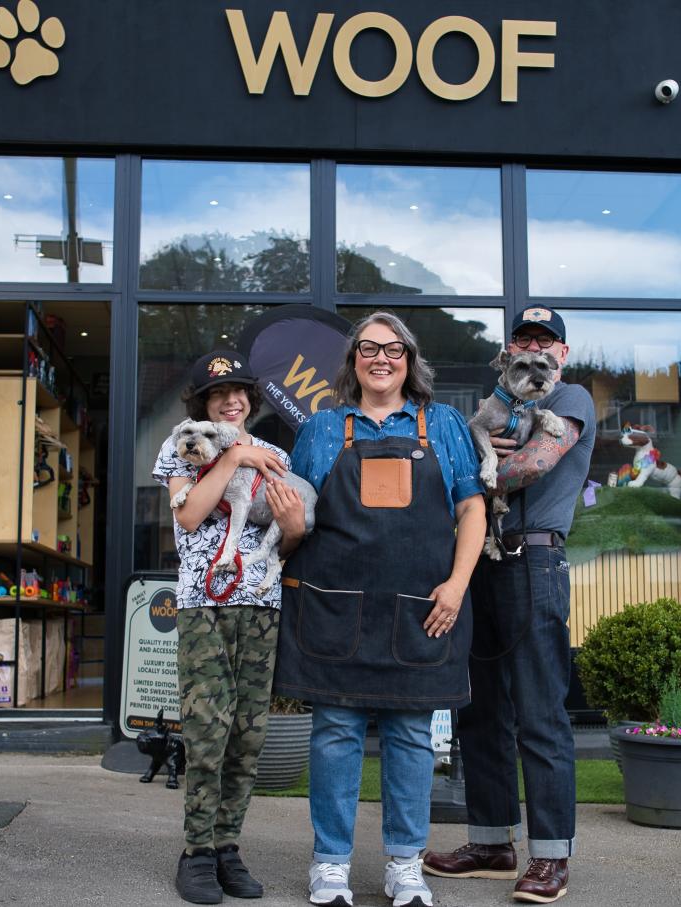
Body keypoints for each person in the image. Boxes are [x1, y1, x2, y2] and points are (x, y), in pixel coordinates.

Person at [274, 312, 486, 907]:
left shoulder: (442, 423)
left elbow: (471, 510)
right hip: (334, 607)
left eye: (393, 349)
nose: (381, 358)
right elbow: (298, 524)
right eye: (368, 348)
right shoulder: (320, 429)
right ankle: (331, 865)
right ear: (354, 361)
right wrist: (288, 530)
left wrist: (457, 584)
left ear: (410, 360)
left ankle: (404, 864)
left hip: (422, 608)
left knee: (412, 735)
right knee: (335, 733)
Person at [423, 306, 596, 905]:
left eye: (545, 342)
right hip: (480, 564)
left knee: (540, 713)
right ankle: (492, 842)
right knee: (480, 710)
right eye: (524, 339)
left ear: (562, 355)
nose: (535, 349)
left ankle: (551, 856)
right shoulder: (498, 398)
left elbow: (531, 465)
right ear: (508, 350)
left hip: (534, 564)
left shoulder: (571, 397)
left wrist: (476, 474)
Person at [153, 349, 308, 905]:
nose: (232, 400)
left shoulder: (275, 454)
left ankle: (227, 847)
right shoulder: (183, 447)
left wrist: (292, 530)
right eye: (220, 394)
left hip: (262, 604)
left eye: (239, 392)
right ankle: (196, 851)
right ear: (203, 403)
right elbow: (189, 515)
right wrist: (232, 456)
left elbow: (289, 537)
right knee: (206, 730)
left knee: (247, 734)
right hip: (202, 606)